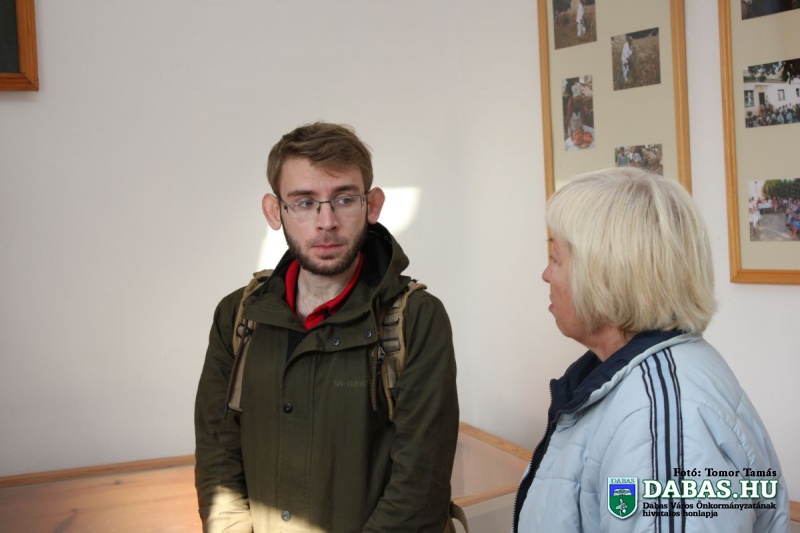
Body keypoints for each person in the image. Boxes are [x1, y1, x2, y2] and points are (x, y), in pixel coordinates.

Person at [194, 122, 460, 532]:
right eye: (304, 202)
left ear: (372, 205)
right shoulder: (238, 316)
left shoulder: (417, 318)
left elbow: (419, 488)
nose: (326, 222)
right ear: (274, 211)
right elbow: (218, 461)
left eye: (344, 199)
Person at [513, 168, 788, 532]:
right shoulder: (641, 384)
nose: (546, 275)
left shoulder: (659, 424)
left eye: (556, 258)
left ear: (605, 276)